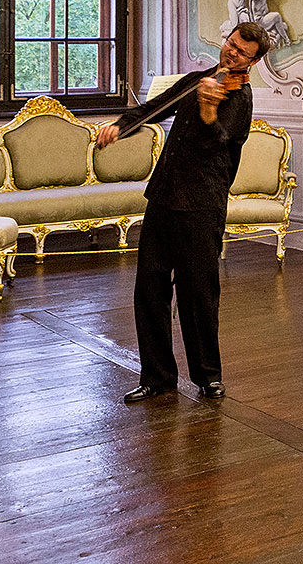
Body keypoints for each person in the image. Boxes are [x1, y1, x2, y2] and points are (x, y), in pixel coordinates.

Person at [97, 21, 270, 403]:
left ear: (252, 62)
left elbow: (221, 143)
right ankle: (157, 376)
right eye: (231, 44)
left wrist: (210, 111)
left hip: (203, 203)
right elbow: (154, 109)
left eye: (241, 52)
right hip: (164, 195)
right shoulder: (197, 79)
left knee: (198, 294)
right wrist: (121, 125)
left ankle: (208, 377)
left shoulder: (241, 98)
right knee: (150, 290)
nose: (231, 52)